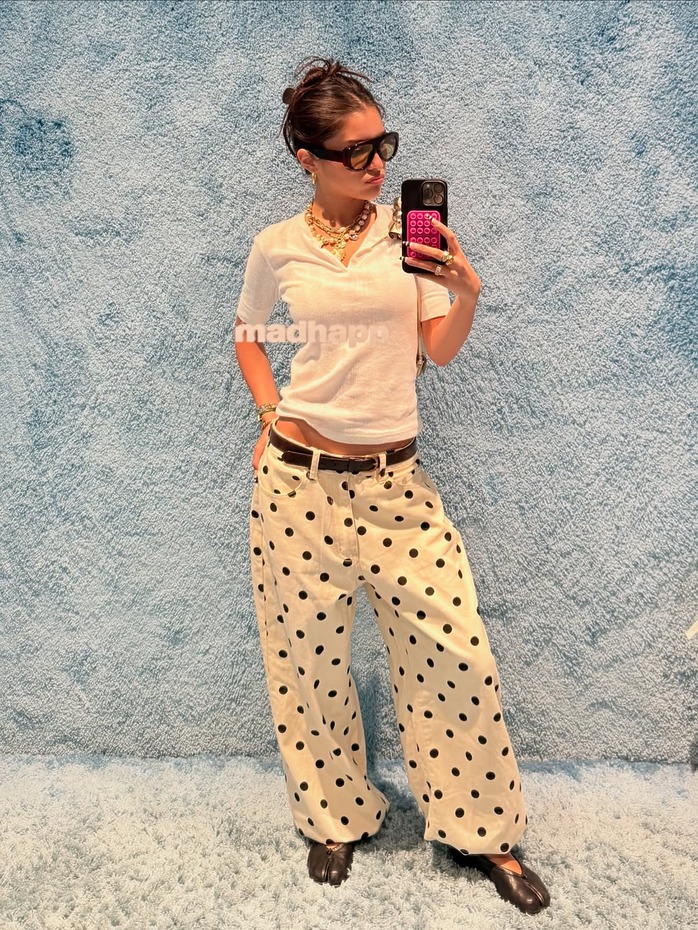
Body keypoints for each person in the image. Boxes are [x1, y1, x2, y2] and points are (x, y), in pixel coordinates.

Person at [234, 56, 551, 915]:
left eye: (385, 145)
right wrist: (269, 416)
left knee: (457, 651)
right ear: (306, 157)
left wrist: (465, 293)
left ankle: (482, 831)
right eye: (356, 151)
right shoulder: (277, 247)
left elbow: (436, 351)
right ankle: (334, 817)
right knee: (307, 666)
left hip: (396, 488)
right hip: (298, 487)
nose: (377, 164)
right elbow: (250, 334)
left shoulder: (406, 237)